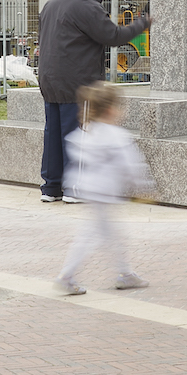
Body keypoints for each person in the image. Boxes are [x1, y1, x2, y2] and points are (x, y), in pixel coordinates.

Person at [36, 0, 151, 203]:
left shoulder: (51, 5)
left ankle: (51, 188)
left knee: (54, 134)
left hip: (50, 79)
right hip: (77, 82)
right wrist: (142, 24)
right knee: (76, 133)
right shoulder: (87, 7)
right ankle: (74, 189)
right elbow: (113, 37)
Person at [54, 83, 155, 295]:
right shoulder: (116, 135)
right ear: (110, 109)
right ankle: (67, 276)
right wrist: (144, 187)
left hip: (89, 190)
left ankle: (125, 273)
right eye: (120, 106)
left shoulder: (87, 131)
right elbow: (132, 164)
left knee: (110, 235)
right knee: (92, 236)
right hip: (104, 192)